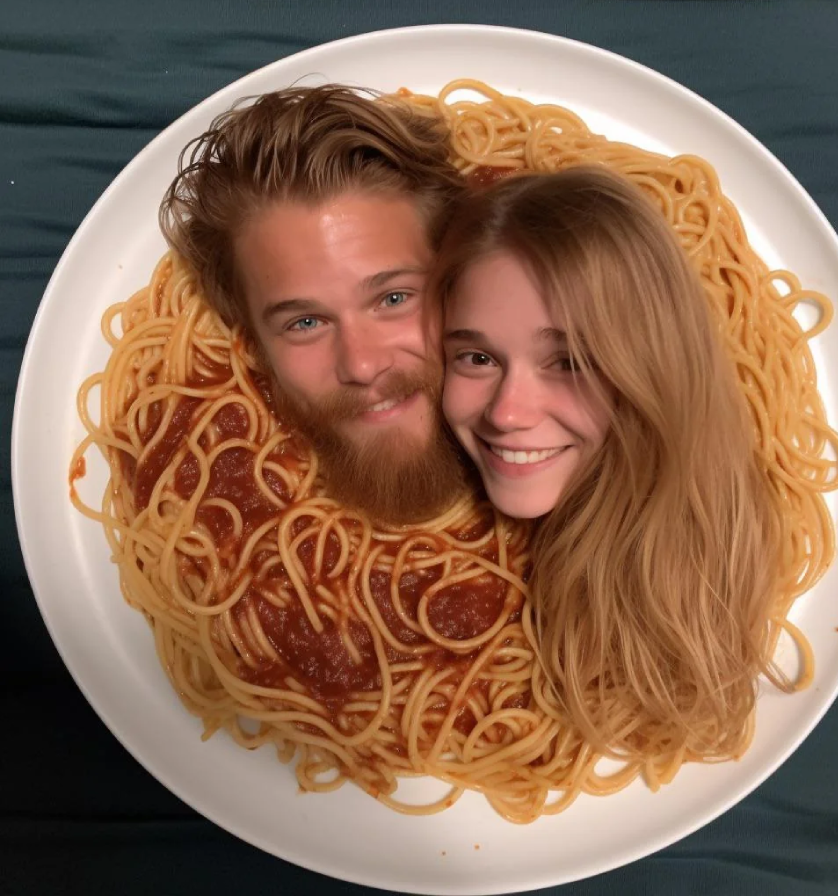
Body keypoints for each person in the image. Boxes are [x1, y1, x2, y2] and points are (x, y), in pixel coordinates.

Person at [433, 167, 785, 760]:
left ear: (650, 371)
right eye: (475, 357)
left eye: (568, 361)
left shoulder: (720, 575)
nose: (509, 413)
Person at [159, 84, 469, 524]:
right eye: (305, 322)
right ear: (253, 344)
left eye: (394, 298)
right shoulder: (207, 516)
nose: (362, 366)